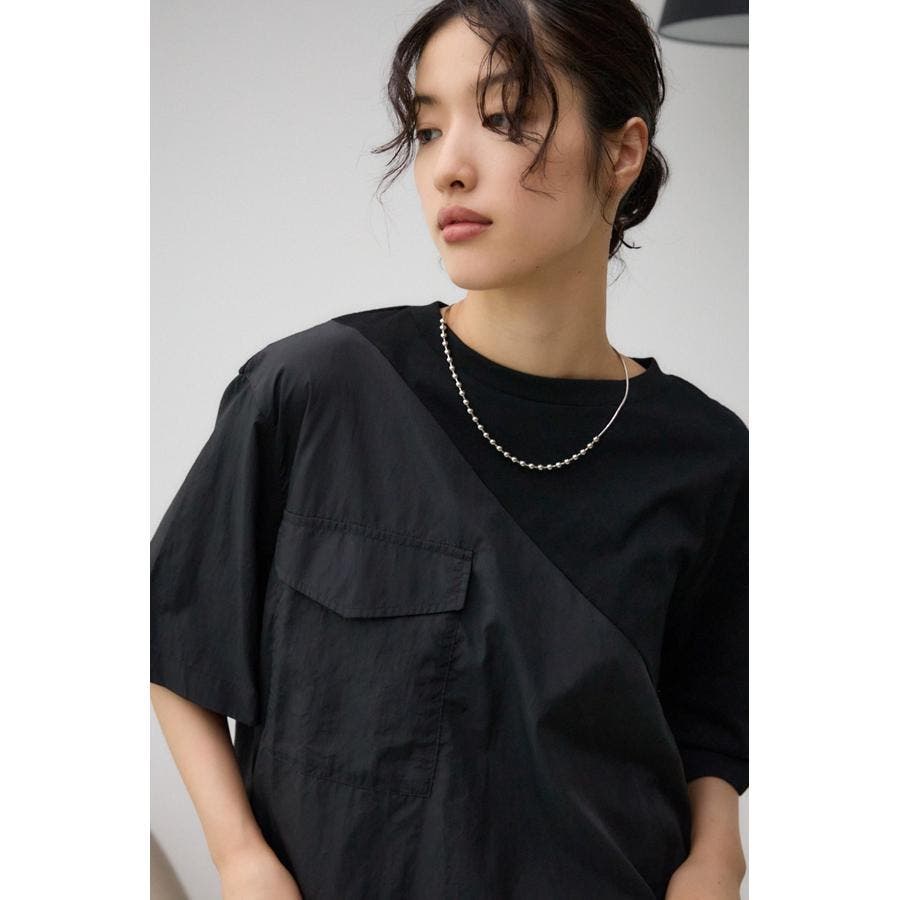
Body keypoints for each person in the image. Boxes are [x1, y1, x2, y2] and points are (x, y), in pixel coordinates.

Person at [150, 2, 748, 898]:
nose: (448, 168)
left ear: (622, 153)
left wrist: (717, 861)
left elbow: (710, 727)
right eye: (428, 129)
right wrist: (240, 860)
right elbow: (176, 630)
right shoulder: (318, 390)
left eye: (503, 118)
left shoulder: (705, 456)